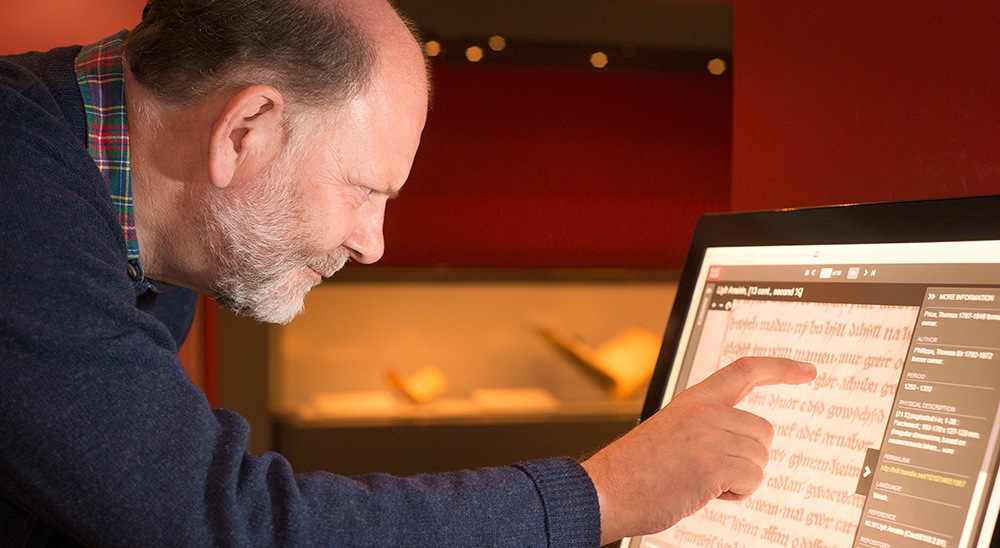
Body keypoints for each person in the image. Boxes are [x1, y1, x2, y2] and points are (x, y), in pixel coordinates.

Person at [0, 0, 817, 545]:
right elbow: (226, 523)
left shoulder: (126, 205)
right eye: (363, 190)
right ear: (245, 128)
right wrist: (603, 495)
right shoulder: (17, 190)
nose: (372, 244)